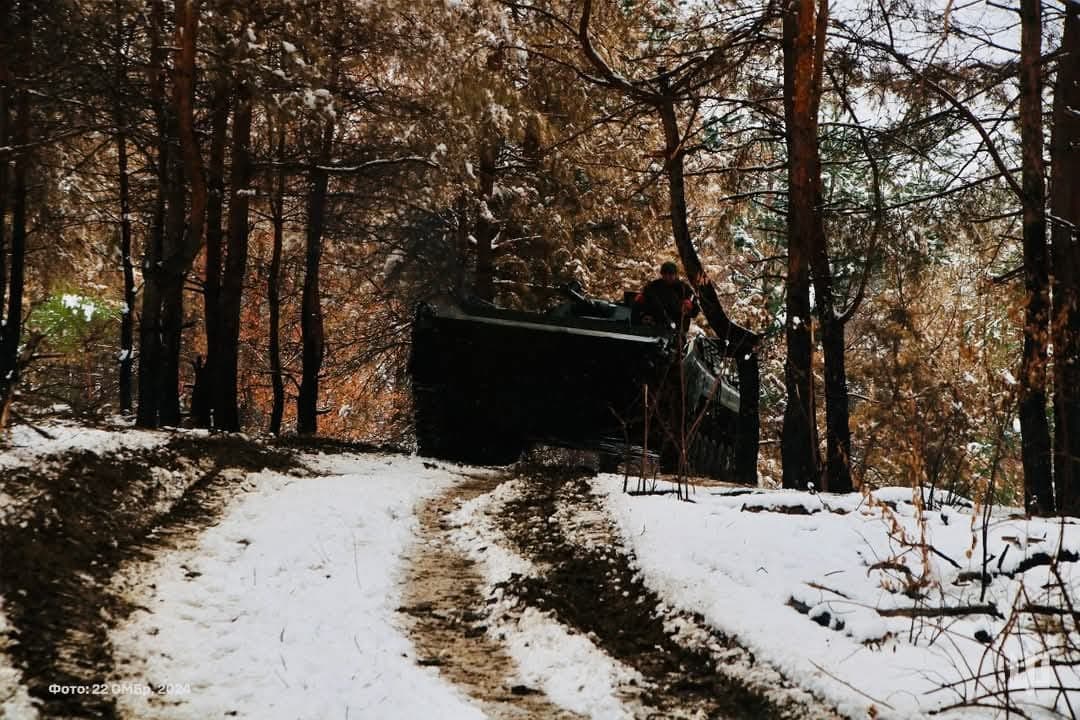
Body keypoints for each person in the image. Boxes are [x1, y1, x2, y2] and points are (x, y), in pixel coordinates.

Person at [634, 261, 699, 332]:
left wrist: (690, 307)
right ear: (662, 274)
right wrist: (644, 316)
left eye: (670, 274)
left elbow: (695, 310)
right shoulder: (653, 287)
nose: (667, 277)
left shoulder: (684, 289)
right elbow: (640, 307)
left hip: (678, 330)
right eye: (665, 274)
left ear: (676, 274)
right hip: (655, 328)